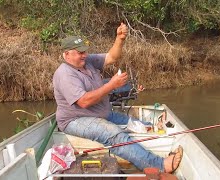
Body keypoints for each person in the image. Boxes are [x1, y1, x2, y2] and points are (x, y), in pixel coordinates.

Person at [52, 23, 182, 173]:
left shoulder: (87, 62)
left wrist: (120, 38)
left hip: (102, 113)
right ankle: (159, 165)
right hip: (75, 120)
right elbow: (84, 101)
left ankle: (158, 144)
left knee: (141, 124)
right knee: (113, 134)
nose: (84, 55)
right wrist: (112, 85)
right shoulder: (65, 74)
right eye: (79, 52)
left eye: (84, 51)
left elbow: (112, 57)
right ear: (66, 54)